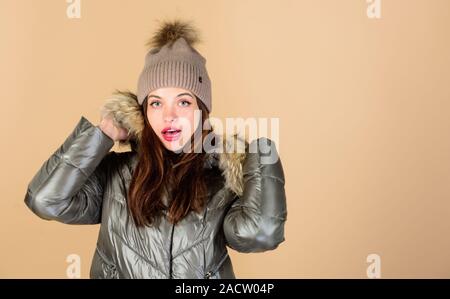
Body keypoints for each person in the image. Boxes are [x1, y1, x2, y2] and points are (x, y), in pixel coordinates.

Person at [24, 19, 287, 279]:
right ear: (143, 111)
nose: (169, 116)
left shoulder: (222, 178)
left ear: (202, 111)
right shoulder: (116, 175)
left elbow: (258, 235)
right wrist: (100, 135)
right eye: (156, 103)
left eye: (183, 102)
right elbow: (45, 200)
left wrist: (261, 154)